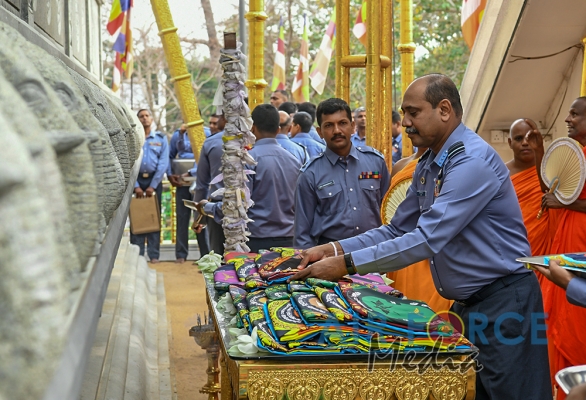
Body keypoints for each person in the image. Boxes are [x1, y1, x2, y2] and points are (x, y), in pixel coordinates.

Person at [291, 75, 551, 400]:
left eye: (413, 113)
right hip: (471, 307)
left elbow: (426, 239)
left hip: (505, 305)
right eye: (404, 114)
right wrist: (331, 248)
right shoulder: (429, 163)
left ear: (444, 110)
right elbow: (397, 228)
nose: (407, 123)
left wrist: (345, 265)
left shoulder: (470, 161)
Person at [196, 104, 302, 252]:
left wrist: (206, 207)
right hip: (289, 241)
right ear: (278, 130)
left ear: (252, 128)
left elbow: (236, 207)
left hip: (254, 241)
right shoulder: (294, 161)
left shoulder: (246, 161)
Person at [293, 98, 390, 249]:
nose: (337, 130)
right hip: (331, 257)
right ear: (320, 132)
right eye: (329, 125)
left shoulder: (375, 162)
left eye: (342, 123)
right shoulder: (310, 174)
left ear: (352, 127)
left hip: (375, 254)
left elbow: (389, 213)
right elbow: (302, 234)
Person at [539, 96, 586, 399]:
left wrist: (567, 203)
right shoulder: (577, 155)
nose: (568, 120)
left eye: (574, 115)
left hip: (581, 244)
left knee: (576, 322)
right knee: (559, 313)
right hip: (566, 239)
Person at [384, 146, 452, 312]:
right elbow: (395, 217)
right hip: (404, 247)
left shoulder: (454, 164)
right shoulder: (401, 166)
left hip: (436, 251)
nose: (409, 124)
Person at [168, 123, 210, 263]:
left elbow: (205, 157)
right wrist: (170, 174)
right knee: (182, 216)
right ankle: (181, 254)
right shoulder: (178, 134)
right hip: (182, 181)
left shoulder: (207, 133)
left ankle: (205, 255)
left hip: (200, 181)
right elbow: (170, 155)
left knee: (201, 217)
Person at [132, 109, 169, 264]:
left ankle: (154, 255)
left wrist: (152, 186)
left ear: (152, 119)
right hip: (137, 181)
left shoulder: (160, 138)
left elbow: (163, 163)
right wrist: (136, 185)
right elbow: (130, 161)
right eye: (141, 116)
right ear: (137, 119)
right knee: (137, 217)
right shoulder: (133, 139)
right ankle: (137, 254)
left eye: (147, 116)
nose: (145, 118)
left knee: (154, 217)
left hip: (154, 182)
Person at [187, 114, 226, 255]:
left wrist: (199, 217)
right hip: (252, 213)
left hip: (218, 212)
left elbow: (202, 185)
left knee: (220, 261)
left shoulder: (211, 143)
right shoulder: (253, 141)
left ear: (225, 119)